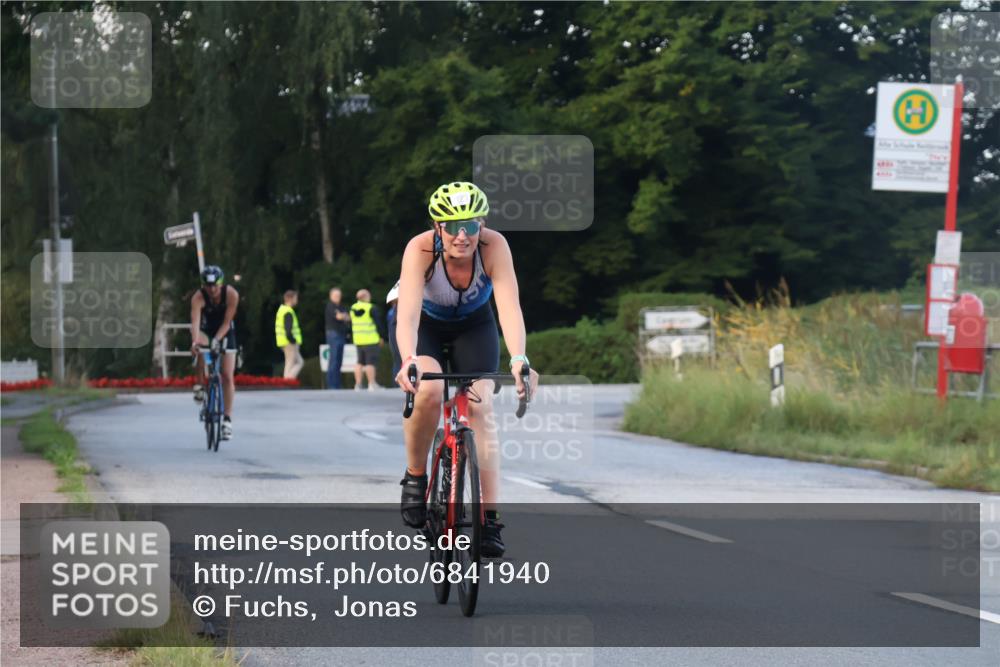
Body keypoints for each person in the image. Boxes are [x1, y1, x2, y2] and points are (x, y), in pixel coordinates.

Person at [394, 181, 538, 558]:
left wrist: (519, 359)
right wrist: (408, 359)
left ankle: (489, 519)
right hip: (426, 327)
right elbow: (407, 316)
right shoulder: (420, 249)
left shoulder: (494, 246)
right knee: (428, 391)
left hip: (474, 326)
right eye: (453, 226)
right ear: (437, 227)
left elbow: (509, 307)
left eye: (471, 225)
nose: (463, 235)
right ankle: (415, 477)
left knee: (480, 406)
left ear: (482, 224)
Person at [190, 265, 239, 440]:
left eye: (215, 286)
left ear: (221, 283)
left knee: (227, 375)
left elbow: (227, 323)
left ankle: (227, 420)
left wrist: (217, 341)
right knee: (200, 347)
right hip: (205, 330)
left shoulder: (231, 294)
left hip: (225, 331)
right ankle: (199, 384)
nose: (212, 290)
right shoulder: (198, 297)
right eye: (208, 286)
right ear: (203, 285)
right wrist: (195, 342)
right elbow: (195, 322)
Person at [349, 289, 383, 390]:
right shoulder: (371, 308)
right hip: (370, 339)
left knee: (359, 362)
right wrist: (382, 336)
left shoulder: (353, 308)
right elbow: (378, 324)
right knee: (370, 362)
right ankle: (371, 384)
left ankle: (358, 385)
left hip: (358, 339)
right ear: (365, 297)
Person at [324, 287, 349, 389]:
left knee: (339, 360)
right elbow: (340, 317)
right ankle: (332, 385)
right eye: (335, 295)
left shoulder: (341, 306)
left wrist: (343, 316)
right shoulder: (330, 306)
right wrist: (344, 316)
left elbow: (348, 317)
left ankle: (337, 385)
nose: (338, 297)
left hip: (341, 334)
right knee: (334, 360)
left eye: (339, 295)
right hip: (333, 335)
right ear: (331, 296)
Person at [275, 290, 303, 380]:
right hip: (290, 342)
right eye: (295, 298)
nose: (296, 300)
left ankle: (288, 380)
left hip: (284, 341)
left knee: (297, 362)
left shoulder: (282, 310)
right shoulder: (288, 312)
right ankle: (287, 381)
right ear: (290, 299)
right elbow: (288, 329)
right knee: (292, 363)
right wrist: (293, 340)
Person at [386, 281, 402, 382]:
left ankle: (396, 383)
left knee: (397, 360)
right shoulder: (393, 312)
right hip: (397, 330)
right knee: (399, 359)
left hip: (393, 331)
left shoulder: (391, 312)